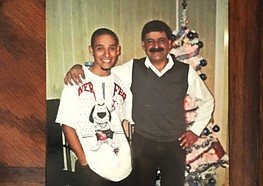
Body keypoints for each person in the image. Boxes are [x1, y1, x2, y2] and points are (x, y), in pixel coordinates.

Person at [64, 20, 214, 186]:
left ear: (170, 43)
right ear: (143, 45)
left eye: (161, 40)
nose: (156, 45)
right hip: (143, 144)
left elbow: (207, 101)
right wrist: (78, 68)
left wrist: (195, 130)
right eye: (150, 41)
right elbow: (101, 71)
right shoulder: (131, 68)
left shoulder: (185, 72)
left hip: (174, 144)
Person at [56, 28, 133, 186]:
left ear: (118, 50)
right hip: (92, 170)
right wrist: (84, 162)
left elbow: (124, 123)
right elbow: (67, 125)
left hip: (123, 169)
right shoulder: (76, 80)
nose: (107, 54)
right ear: (91, 50)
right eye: (100, 48)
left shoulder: (122, 83)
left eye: (111, 48)